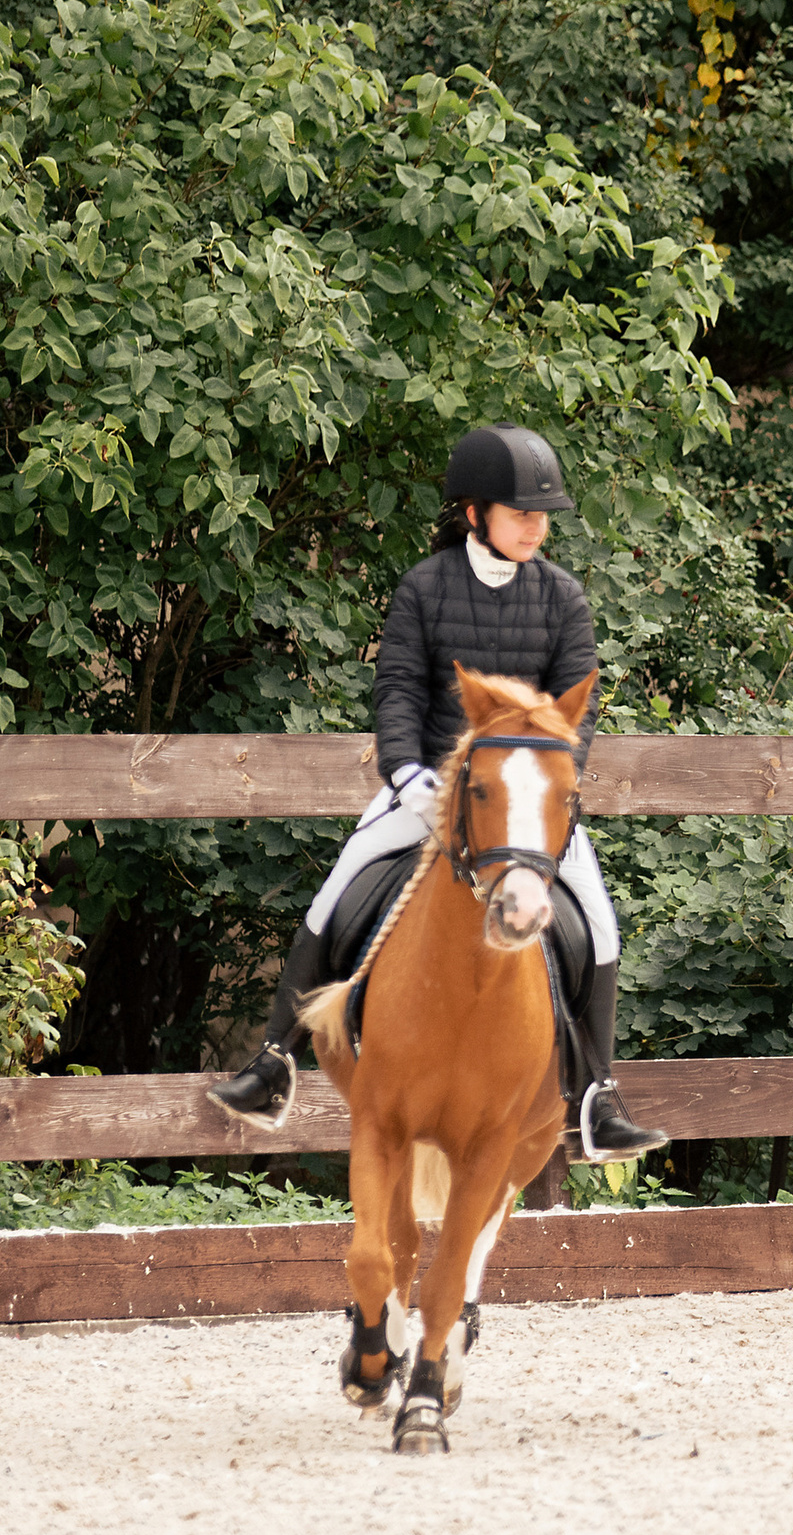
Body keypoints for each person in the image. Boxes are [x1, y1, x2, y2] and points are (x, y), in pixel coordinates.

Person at [207, 423, 667, 1161]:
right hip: (427, 788)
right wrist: (406, 773)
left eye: (543, 515)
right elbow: (396, 691)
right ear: (476, 512)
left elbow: (575, 715)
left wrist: (553, 784)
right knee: (336, 892)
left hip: (523, 805)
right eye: (524, 513)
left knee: (601, 928)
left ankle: (597, 1096)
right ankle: (273, 1060)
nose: (537, 527)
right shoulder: (425, 587)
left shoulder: (563, 598)